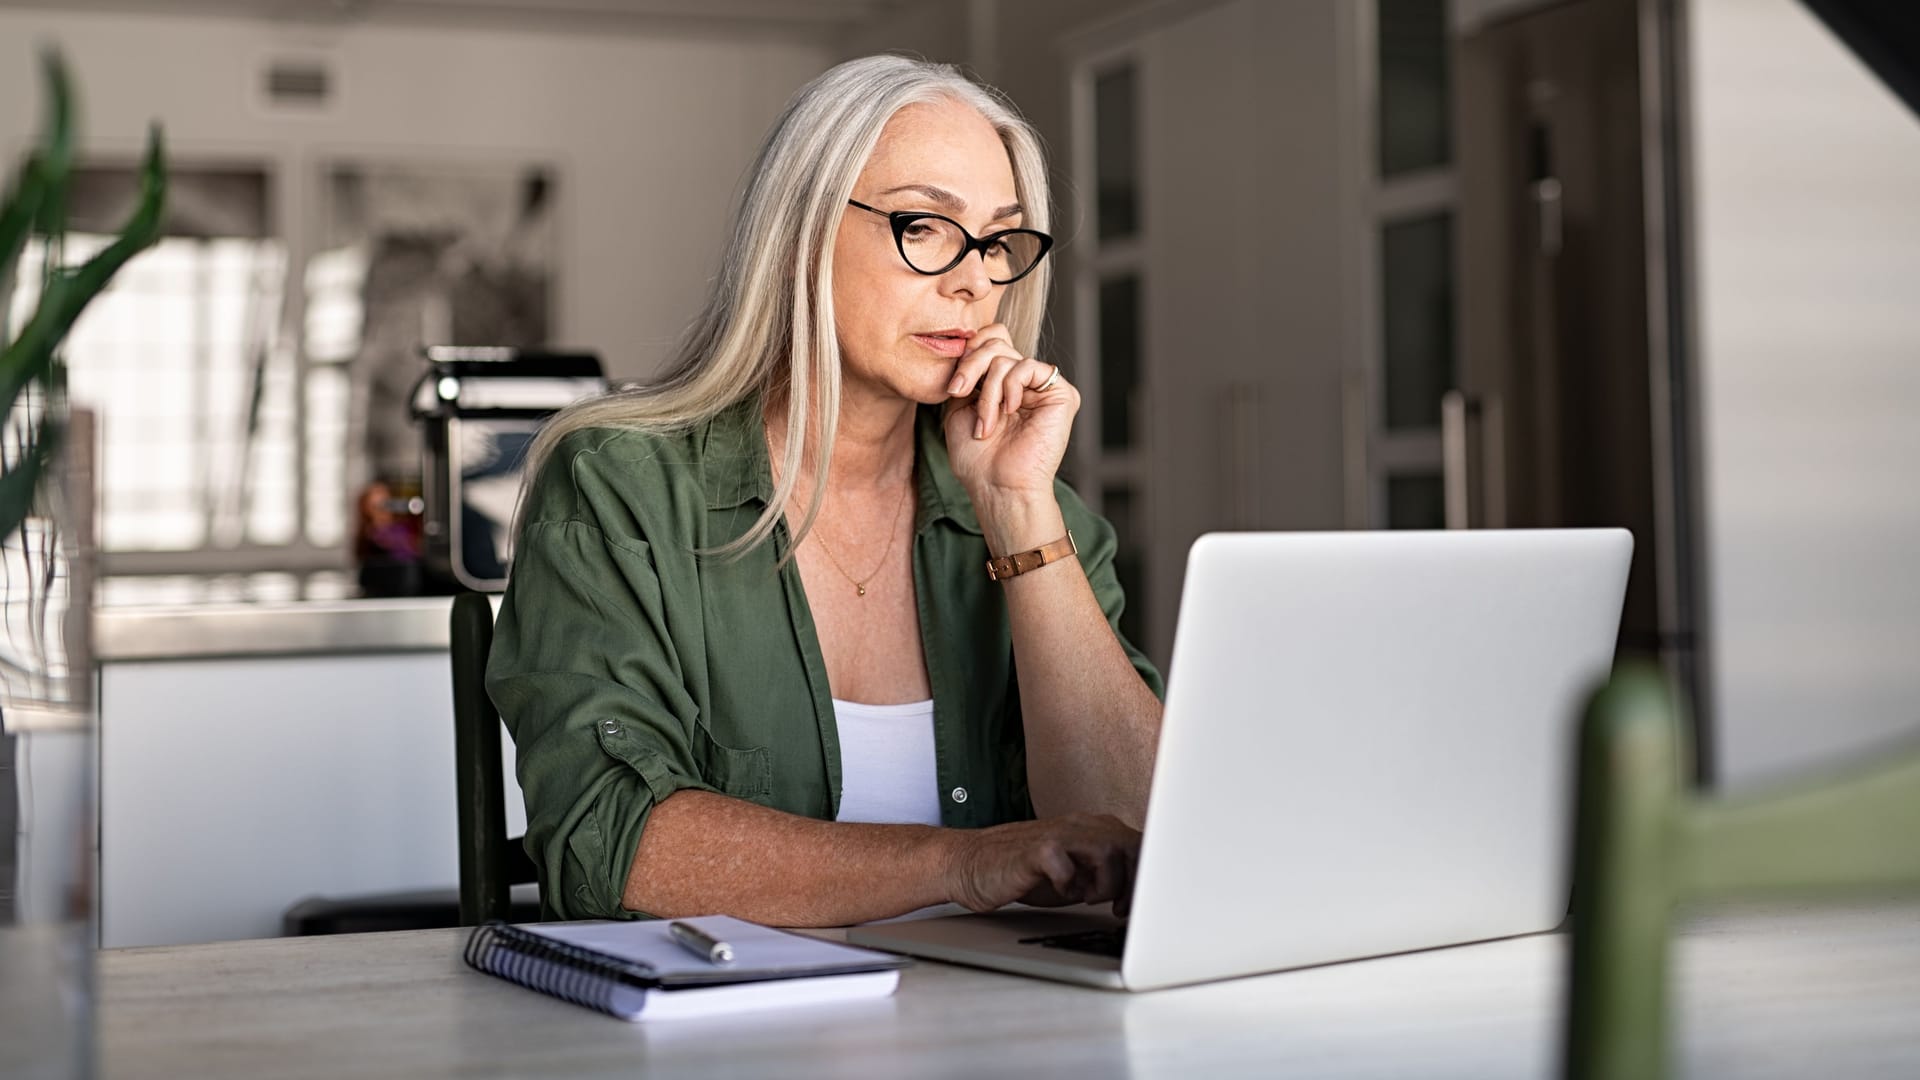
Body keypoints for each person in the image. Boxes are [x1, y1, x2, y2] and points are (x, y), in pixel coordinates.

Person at [489, 55, 1164, 927]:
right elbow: (610, 846)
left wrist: (1016, 513)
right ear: (802, 230)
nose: (976, 280)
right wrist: (963, 863)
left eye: (998, 241)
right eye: (925, 225)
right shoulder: (622, 486)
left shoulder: (1039, 516)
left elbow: (1148, 838)